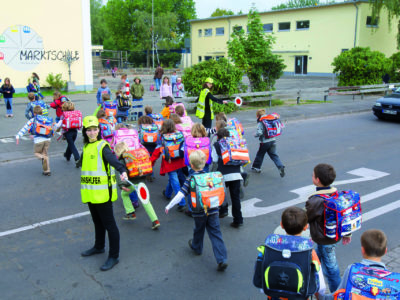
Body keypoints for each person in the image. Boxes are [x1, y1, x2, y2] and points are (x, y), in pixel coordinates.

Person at [165, 150, 228, 272]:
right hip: (213, 209)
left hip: (199, 212)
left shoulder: (191, 179)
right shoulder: (212, 176)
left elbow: (181, 194)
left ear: (191, 165)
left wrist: (169, 205)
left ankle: (197, 247)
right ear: (204, 163)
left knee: (198, 230)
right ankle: (222, 259)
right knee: (216, 233)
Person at [80, 115, 128, 271]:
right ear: (85, 131)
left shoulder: (103, 146)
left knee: (110, 225)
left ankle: (114, 256)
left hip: (103, 194)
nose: (92, 133)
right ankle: (99, 246)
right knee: (97, 222)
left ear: (99, 130)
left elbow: (112, 160)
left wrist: (122, 170)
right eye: (89, 130)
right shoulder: (86, 147)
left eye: (95, 130)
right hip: (90, 193)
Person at [253, 206, 326, 299]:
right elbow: (320, 286)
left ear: (281, 225)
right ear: (305, 227)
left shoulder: (269, 247)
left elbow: (260, 275)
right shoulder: (309, 252)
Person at [305, 163, 352, 293]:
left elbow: (307, 217)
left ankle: (337, 292)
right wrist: (347, 234)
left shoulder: (316, 200)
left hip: (324, 239)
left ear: (317, 180)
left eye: (313, 175)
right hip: (333, 236)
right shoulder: (337, 194)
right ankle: (311, 271)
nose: (312, 176)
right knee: (318, 256)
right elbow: (345, 214)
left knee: (332, 269)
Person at [321, 229, 388, 299]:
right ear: (385, 251)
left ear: (363, 250)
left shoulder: (352, 270)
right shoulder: (391, 278)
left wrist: (320, 296)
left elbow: (339, 294)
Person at [114, 142, 160, 229]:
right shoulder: (134, 156)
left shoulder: (122, 160)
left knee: (124, 194)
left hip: (131, 183)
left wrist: (122, 185)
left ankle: (130, 212)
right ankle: (155, 220)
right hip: (142, 182)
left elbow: (122, 175)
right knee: (146, 201)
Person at [150, 119, 186, 211]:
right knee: (173, 180)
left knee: (175, 181)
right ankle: (167, 194)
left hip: (169, 162)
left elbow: (156, 152)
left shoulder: (162, 137)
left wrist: (150, 164)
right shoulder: (180, 134)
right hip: (180, 161)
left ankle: (181, 202)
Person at [212, 128, 243, 226]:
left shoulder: (216, 145)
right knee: (235, 198)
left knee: (221, 194)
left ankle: (223, 210)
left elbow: (215, 159)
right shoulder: (235, 143)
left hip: (223, 175)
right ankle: (238, 220)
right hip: (236, 174)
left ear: (218, 136)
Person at [16, 105, 53, 176]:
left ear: (34, 113)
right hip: (48, 139)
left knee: (37, 153)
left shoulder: (33, 120)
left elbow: (25, 128)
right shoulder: (47, 119)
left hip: (38, 141)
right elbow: (51, 129)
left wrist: (18, 136)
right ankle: (47, 171)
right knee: (45, 154)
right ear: (42, 112)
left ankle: (42, 158)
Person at [251, 109, 285, 177]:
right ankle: (280, 166)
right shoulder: (271, 119)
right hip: (273, 140)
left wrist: (255, 134)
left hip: (265, 142)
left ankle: (256, 167)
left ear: (258, 115)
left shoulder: (261, 122)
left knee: (260, 154)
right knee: (274, 155)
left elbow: (259, 133)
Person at [54, 101, 81, 166]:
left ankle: (77, 158)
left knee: (71, 145)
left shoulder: (64, 115)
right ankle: (67, 155)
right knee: (70, 144)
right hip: (75, 131)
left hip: (67, 132)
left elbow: (59, 125)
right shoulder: (76, 114)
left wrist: (55, 124)